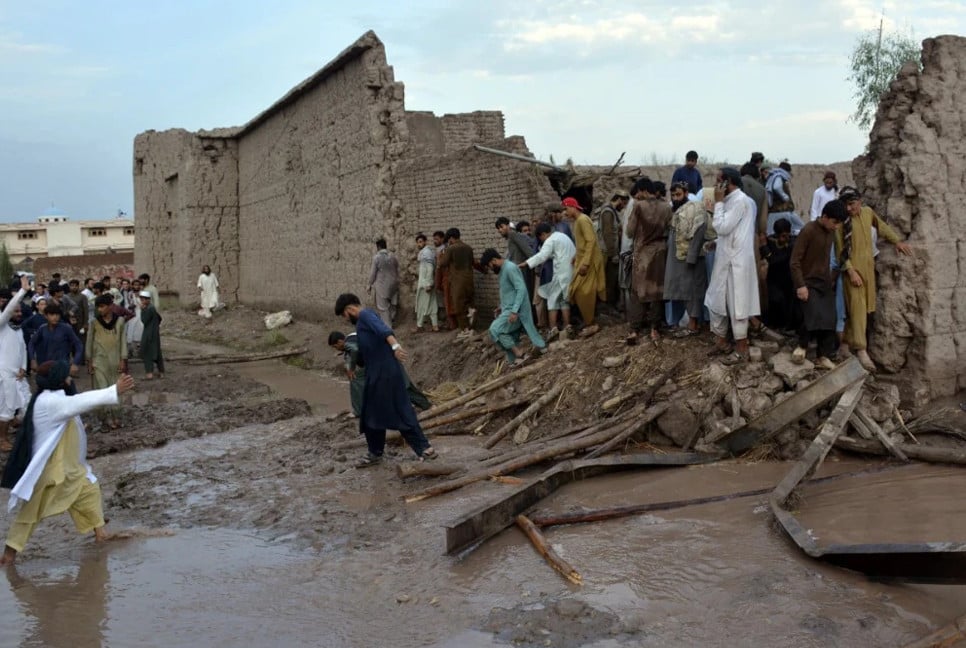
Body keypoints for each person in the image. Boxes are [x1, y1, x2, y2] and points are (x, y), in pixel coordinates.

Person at [0, 361, 134, 565]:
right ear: (58, 379)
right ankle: (9, 556)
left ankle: (101, 533)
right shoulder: (50, 402)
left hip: (69, 466)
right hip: (50, 470)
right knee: (30, 513)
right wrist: (113, 390)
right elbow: (81, 401)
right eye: (66, 373)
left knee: (89, 490)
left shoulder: (52, 398)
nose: (71, 375)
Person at [333, 294, 437, 467]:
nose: (345, 319)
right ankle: (375, 453)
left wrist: (395, 346)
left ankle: (425, 449)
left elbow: (384, 330)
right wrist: (352, 366)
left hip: (385, 374)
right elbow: (365, 349)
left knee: (400, 411)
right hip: (377, 374)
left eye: (344, 315)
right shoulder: (362, 323)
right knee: (370, 414)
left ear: (349, 309)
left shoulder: (365, 315)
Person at [834, 187, 912, 372]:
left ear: (860, 201)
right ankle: (861, 350)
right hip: (853, 273)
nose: (849, 208)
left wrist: (897, 241)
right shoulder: (841, 223)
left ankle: (845, 345)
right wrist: (851, 272)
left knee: (860, 310)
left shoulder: (868, 213)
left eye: (852, 204)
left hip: (868, 270)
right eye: (846, 205)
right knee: (858, 309)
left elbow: (882, 227)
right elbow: (840, 252)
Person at [705, 168, 761, 365]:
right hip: (725, 259)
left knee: (738, 305)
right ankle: (721, 342)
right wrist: (716, 244)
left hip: (736, 263)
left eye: (718, 181)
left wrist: (718, 202)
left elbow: (721, 227)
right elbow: (728, 233)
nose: (715, 185)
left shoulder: (740, 201)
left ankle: (741, 349)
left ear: (728, 183)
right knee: (715, 300)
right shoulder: (731, 202)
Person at [790, 200, 848, 370]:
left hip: (823, 281)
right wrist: (800, 285)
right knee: (813, 314)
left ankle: (823, 356)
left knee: (830, 318)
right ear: (824, 217)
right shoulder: (808, 230)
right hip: (807, 281)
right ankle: (802, 346)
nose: (836, 227)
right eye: (834, 222)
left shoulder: (830, 232)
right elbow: (794, 261)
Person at [328, 330, 431, 417]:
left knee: (355, 378)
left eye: (335, 346)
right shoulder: (354, 336)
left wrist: (351, 368)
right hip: (385, 360)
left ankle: (359, 411)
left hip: (383, 363)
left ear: (340, 341)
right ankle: (426, 405)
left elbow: (354, 349)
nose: (336, 349)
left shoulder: (348, 343)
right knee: (404, 386)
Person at [625, 178, 671, 344]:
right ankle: (654, 329)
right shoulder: (666, 207)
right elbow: (669, 227)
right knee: (657, 291)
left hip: (643, 253)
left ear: (644, 190)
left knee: (638, 292)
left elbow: (630, 232)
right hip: (660, 252)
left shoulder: (639, 206)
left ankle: (634, 330)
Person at [481, 248, 546, 367]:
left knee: (494, 329)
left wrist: (515, 311)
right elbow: (509, 292)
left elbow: (521, 289)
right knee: (506, 334)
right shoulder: (503, 270)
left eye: (489, 265)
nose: (490, 268)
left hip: (516, 311)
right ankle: (518, 357)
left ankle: (520, 354)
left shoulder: (510, 268)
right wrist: (501, 306)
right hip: (509, 310)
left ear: (494, 260)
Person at [664, 181, 711, 337]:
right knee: (683, 291)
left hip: (690, 259)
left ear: (686, 193)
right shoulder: (676, 210)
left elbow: (699, 230)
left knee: (693, 292)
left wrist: (691, 256)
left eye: (678, 194)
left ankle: (693, 324)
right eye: (673, 195)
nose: (676, 198)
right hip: (678, 259)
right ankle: (686, 322)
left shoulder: (695, 208)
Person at [523, 222, 576, 341]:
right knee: (564, 300)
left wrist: (526, 263)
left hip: (561, 273)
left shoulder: (549, 241)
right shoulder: (562, 236)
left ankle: (553, 329)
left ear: (542, 235)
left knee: (552, 300)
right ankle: (568, 326)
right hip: (570, 271)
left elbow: (542, 256)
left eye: (540, 238)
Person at [563, 197, 605, 337]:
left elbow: (591, 241)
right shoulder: (577, 222)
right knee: (577, 290)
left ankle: (591, 323)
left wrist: (586, 262)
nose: (565, 212)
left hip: (590, 261)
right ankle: (589, 321)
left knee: (583, 292)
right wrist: (576, 256)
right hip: (582, 259)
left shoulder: (582, 220)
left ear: (572, 207)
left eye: (566, 208)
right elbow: (582, 243)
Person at [86, 295, 128, 429]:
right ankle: (104, 419)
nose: (100, 310)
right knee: (102, 389)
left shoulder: (120, 321)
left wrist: (123, 359)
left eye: (102, 306)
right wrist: (89, 360)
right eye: (98, 307)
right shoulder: (94, 322)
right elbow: (89, 342)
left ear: (110, 306)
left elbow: (123, 342)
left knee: (115, 388)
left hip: (115, 360)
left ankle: (116, 416)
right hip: (99, 361)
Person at [0, 277, 30, 451]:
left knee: (23, 406)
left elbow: (23, 350)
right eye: (15, 311)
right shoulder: (2, 324)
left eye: (20, 312)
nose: (19, 314)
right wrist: (22, 291)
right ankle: (2, 439)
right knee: (5, 409)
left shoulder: (17, 328)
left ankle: (12, 428)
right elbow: (7, 310)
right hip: (4, 376)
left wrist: (24, 368)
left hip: (18, 375)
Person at [27, 303, 83, 392]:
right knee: (44, 395)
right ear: (46, 316)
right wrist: (32, 360)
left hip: (62, 368)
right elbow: (31, 344)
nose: (55, 317)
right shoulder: (42, 329)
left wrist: (75, 363)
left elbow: (78, 345)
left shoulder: (66, 328)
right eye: (52, 315)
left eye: (57, 315)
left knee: (69, 394)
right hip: (46, 368)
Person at [760, 218, 798, 331]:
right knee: (775, 300)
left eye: (786, 235)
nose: (784, 239)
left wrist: (765, 249)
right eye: (782, 236)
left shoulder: (793, 243)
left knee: (788, 304)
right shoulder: (771, 241)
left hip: (788, 279)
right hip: (773, 279)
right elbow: (771, 259)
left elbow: (776, 259)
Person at [438, 228, 476, 338]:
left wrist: (440, 256)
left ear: (450, 238)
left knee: (459, 306)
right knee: (470, 304)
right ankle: (472, 327)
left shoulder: (451, 249)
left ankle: (464, 330)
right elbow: (472, 262)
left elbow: (443, 263)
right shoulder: (468, 248)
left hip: (457, 282)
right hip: (469, 279)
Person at [598, 190, 629, 309]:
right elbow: (608, 234)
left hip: (611, 253)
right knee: (610, 281)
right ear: (620, 200)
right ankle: (607, 307)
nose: (623, 206)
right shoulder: (607, 212)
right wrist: (613, 254)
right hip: (608, 254)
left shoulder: (611, 211)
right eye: (624, 203)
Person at [765, 161, 804, 235]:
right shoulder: (778, 176)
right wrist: (784, 196)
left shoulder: (773, 176)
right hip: (780, 212)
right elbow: (776, 187)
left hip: (781, 212)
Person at [368, 238, 400, 326]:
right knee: (393, 304)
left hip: (382, 285)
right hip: (394, 285)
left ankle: (388, 326)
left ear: (378, 247)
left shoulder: (377, 258)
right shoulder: (393, 256)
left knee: (383, 307)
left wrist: (369, 284)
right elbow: (397, 269)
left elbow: (373, 274)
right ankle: (392, 319)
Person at [413, 234, 439, 333]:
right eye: (417, 242)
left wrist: (428, 283)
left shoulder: (426, 253)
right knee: (432, 304)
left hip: (425, 285)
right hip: (427, 283)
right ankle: (435, 326)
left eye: (420, 242)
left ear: (425, 242)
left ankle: (419, 326)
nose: (419, 244)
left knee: (420, 305)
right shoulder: (426, 252)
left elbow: (430, 269)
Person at [138, 290, 164, 379]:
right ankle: (161, 372)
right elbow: (159, 318)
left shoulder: (148, 309)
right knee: (157, 352)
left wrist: (142, 310)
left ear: (147, 299)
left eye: (143, 299)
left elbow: (144, 320)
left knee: (147, 352)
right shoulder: (152, 307)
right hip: (154, 332)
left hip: (149, 333)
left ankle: (149, 373)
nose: (141, 301)